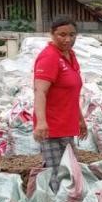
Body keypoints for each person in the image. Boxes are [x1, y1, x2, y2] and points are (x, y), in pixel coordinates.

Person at [33, 17, 86, 186]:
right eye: (62, 35)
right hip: (51, 129)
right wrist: (41, 122)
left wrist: (80, 119)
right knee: (57, 175)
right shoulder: (49, 57)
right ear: (52, 34)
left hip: (66, 126)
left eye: (72, 34)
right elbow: (40, 91)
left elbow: (70, 93)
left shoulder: (70, 56)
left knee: (71, 172)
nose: (68, 39)